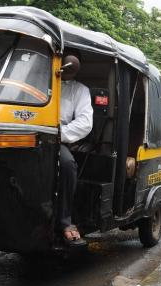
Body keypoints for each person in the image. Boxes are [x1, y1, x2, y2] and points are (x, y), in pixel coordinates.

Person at [59, 51, 93, 246]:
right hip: (28, 133)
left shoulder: (80, 90)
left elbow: (85, 122)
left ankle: (64, 220)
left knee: (68, 165)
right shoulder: (40, 80)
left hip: (57, 139)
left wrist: (60, 134)